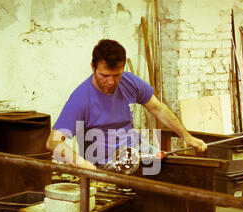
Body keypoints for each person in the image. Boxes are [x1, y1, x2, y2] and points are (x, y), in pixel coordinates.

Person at [46, 39, 207, 171]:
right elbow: (53, 142)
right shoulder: (81, 98)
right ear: (93, 67)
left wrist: (186, 136)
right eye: (105, 75)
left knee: (171, 168)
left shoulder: (129, 81)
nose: (111, 82)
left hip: (135, 149)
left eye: (117, 75)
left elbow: (158, 108)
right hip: (104, 162)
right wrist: (82, 164)